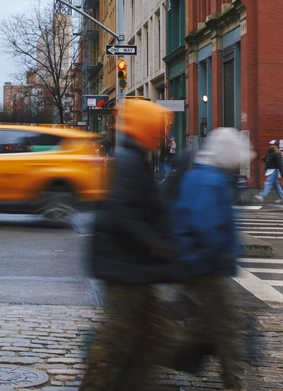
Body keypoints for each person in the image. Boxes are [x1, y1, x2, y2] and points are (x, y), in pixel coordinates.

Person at [79, 99, 176, 391]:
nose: (161, 134)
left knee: (153, 335)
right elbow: (123, 213)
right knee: (116, 340)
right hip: (125, 268)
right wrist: (155, 245)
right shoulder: (131, 161)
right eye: (157, 128)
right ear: (146, 128)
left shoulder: (135, 157)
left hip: (133, 267)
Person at [168, 127, 253, 391]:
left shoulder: (201, 175)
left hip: (197, 262)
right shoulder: (210, 180)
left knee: (212, 323)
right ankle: (232, 381)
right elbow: (207, 226)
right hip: (206, 265)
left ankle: (164, 347)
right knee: (224, 327)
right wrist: (225, 254)